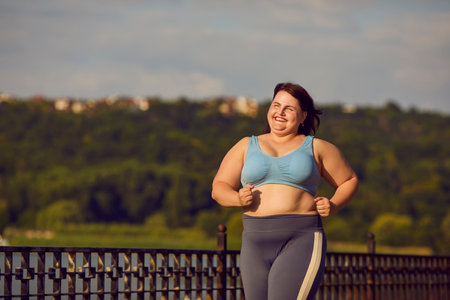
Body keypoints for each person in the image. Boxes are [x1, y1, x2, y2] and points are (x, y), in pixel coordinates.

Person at [211, 82, 358, 300]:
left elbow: (349, 180)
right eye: (276, 105)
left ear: (302, 116)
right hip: (253, 240)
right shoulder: (245, 145)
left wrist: (334, 204)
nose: (280, 112)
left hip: (301, 238)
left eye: (289, 108)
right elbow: (219, 188)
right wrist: (237, 198)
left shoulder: (317, 148)